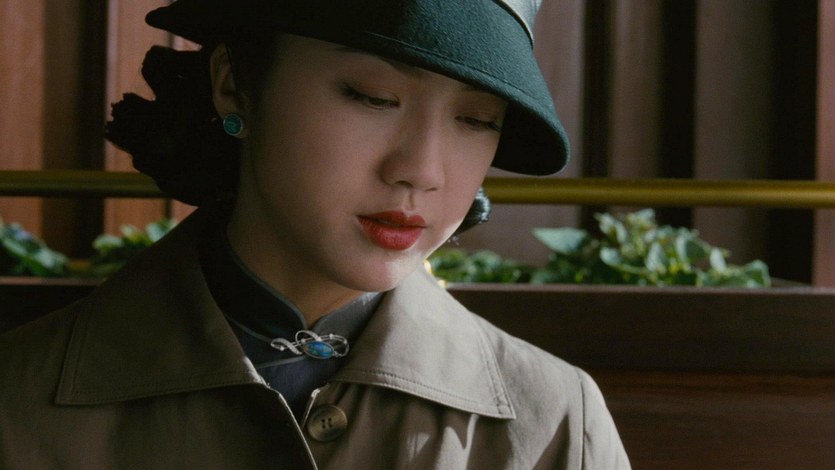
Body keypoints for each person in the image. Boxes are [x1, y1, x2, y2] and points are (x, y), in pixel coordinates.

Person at [0, 0, 630, 468]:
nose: (422, 170)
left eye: (476, 119)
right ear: (233, 85)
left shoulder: (555, 422)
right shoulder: (18, 403)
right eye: (372, 96)